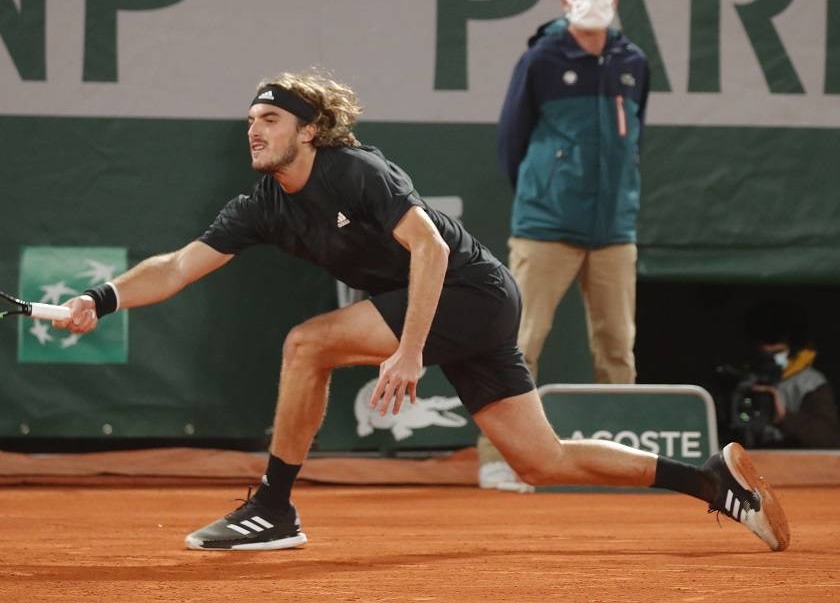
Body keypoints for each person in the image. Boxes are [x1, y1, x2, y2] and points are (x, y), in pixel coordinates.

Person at [54, 69, 788, 553]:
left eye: (270, 118)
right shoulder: (261, 207)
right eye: (251, 120)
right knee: (541, 460)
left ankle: (274, 507)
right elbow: (177, 267)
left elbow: (429, 249)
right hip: (460, 314)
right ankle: (711, 484)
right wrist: (99, 298)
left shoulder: (356, 171)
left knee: (307, 343)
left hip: (470, 292)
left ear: (308, 129)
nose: (254, 130)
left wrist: (408, 351)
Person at [477, 0, 650, 492]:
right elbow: (512, 140)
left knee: (617, 347)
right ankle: (498, 459)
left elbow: (634, 139)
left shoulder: (633, 61)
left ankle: (620, 463)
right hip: (546, 228)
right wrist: (544, 192)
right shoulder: (542, 59)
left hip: (614, 231)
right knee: (520, 343)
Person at [734, 301, 840, 449]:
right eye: (765, 353)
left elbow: (829, 440)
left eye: (777, 352)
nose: (771, 360)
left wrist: (784, 416)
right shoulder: (743, 379)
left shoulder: (810, 383)